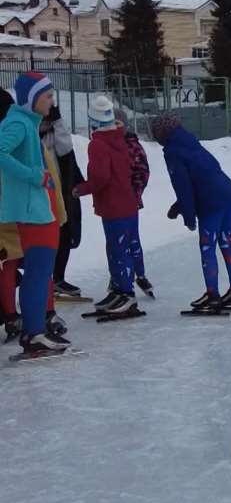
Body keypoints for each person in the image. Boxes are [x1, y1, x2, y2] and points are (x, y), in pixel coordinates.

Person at [0, 73, 70, 353]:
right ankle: (34, 333)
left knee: (40, 273)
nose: (52, 102)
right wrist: (34, 176)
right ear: (32, 98)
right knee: (38, 274)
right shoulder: (17, 122)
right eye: (47, 96)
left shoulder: (28, 123)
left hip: (40, 209)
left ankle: (34, 330)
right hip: (33, 212)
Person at [150, 111, 231, 310]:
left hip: (211, 203)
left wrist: (188, 215)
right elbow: (208, 171)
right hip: (227, 195)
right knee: (227, 242)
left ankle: (213, 295)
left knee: (207, 247)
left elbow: (183, 184)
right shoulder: (191, 142)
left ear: (161, 133)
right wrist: (181, 206)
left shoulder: (173, 151)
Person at [73, 95, 143, 319]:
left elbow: (100, 178)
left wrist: (80, 189)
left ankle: (126, 294)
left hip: (114, 207)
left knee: (117, 251)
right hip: (128, 204)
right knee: (118, 249)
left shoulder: (98, 144)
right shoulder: (120, 138)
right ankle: (119, 291)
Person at [39, 103, 87, 301]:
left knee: (65, 235)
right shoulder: (30, 132)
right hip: (42, 194)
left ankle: (58, 278)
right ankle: (44, 280)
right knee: (46, 240)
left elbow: (65, 148)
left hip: (61, 193)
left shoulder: (56, 132)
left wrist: (57, 122)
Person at [120, 112, 153, 298]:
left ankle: (138, 274)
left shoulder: (132, 146)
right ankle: (124, 275)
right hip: (119, 203)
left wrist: (134, 194)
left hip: (130, 202)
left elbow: (142, 172)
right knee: (123, 242)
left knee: (131, 241)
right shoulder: (115, 145)